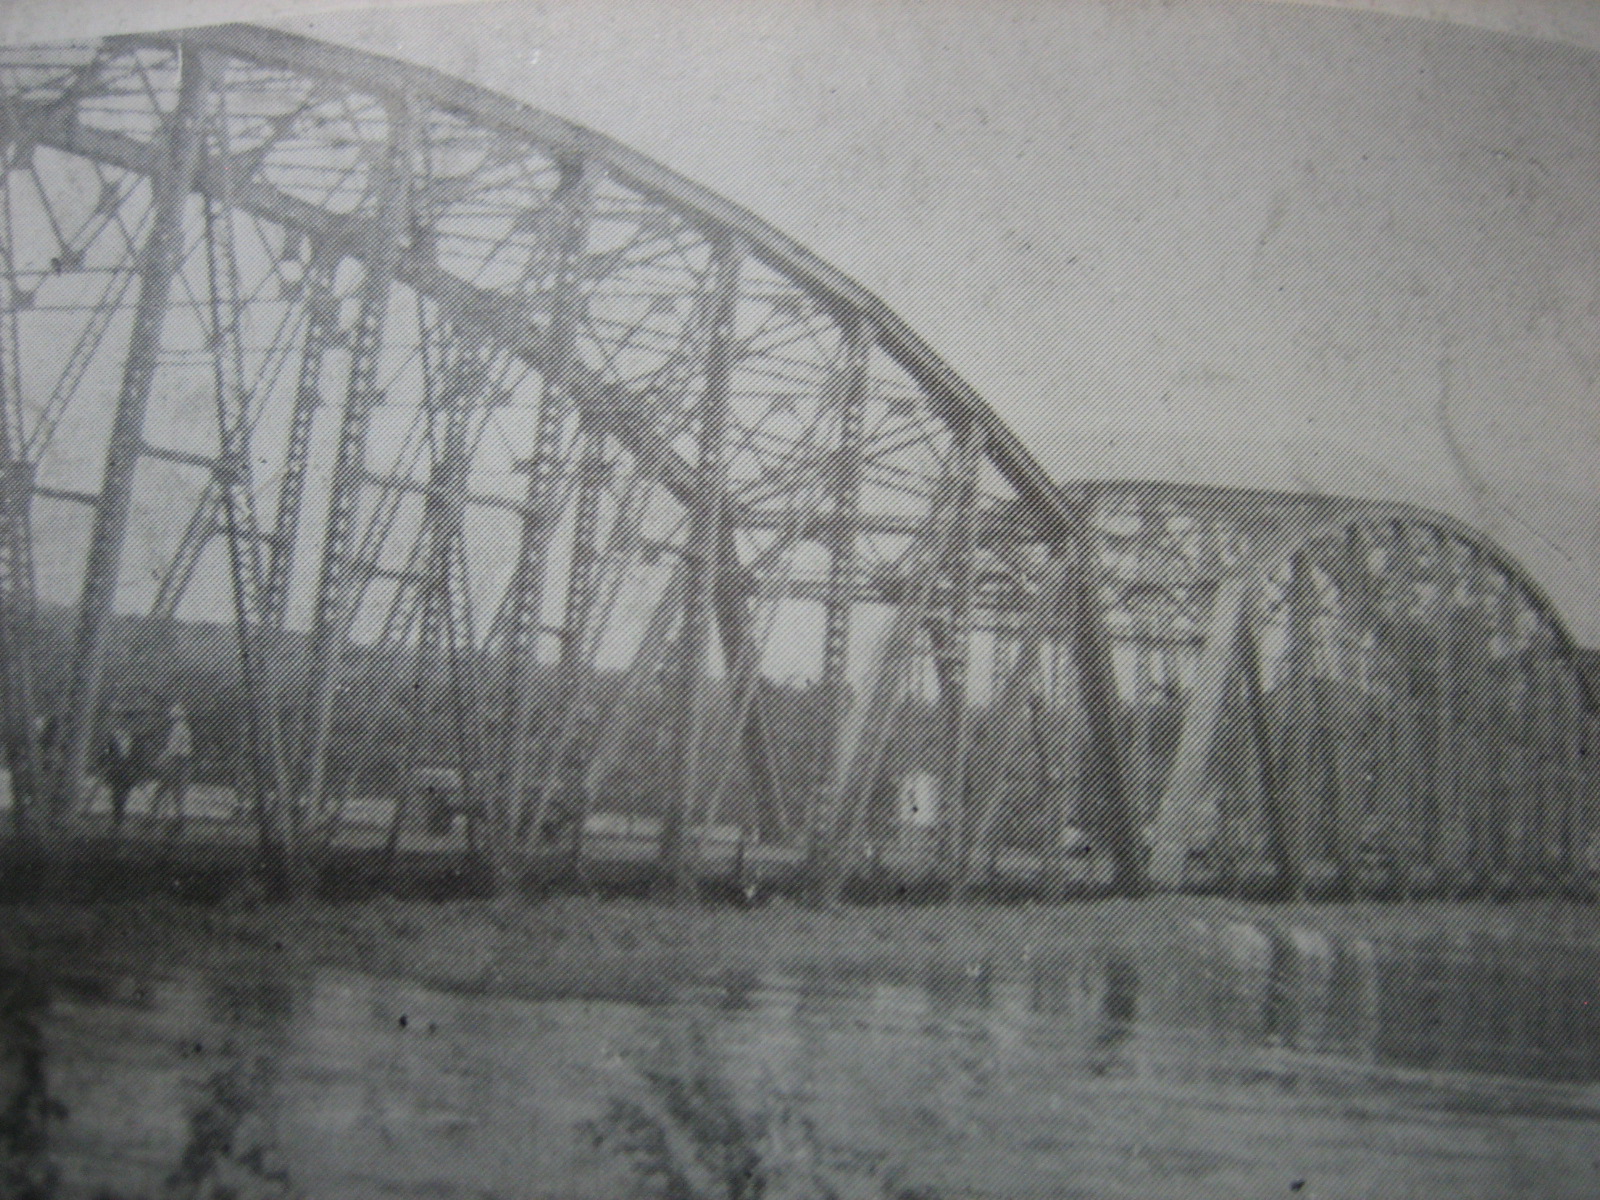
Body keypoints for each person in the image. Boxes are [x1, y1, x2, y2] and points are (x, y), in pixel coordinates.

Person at [149, 703, 193, 828]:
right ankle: (178, 817)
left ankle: (155, 816)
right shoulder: (185, 728)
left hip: (176, 761)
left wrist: (160, 759)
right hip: (184, 761)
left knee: (163, 788)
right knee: (178, 791)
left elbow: (172, 749)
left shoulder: (177, 729)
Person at [97, 719, 140, 832]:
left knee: (124, 794)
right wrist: (104, 764)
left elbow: (138, 756)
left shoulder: (134, 739)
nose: (126, 725)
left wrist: (137, 769)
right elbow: (106, 753)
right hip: (116, 770)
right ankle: (117, 821)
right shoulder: (112, 738)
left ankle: (119, 820)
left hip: (128, 770)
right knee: (116, 795)